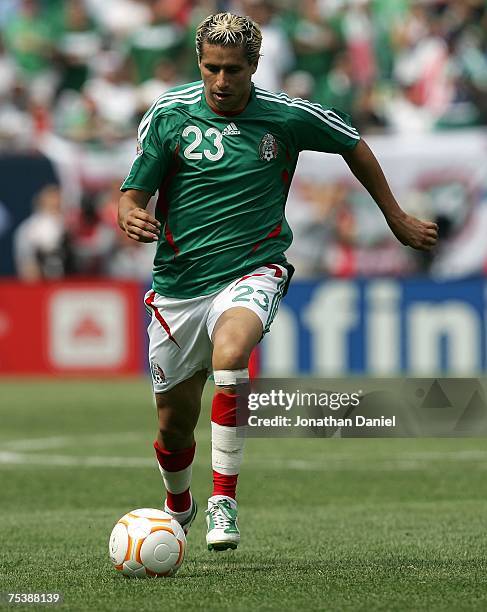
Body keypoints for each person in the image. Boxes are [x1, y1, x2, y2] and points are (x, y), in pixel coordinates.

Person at [118, 12, 438, 552]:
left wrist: (395, 215)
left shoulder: (286, 116)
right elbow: (134, 192)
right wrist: (128, 213)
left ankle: (224, 501)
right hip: (178, 284)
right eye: (211, 68)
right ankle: (179, 505)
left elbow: (353, 142)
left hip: (253, 267)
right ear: (200, 62)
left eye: (233, 71)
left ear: (255, 66)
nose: (221, 81)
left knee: (232, 350)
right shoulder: (169, 114)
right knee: (174, 426)